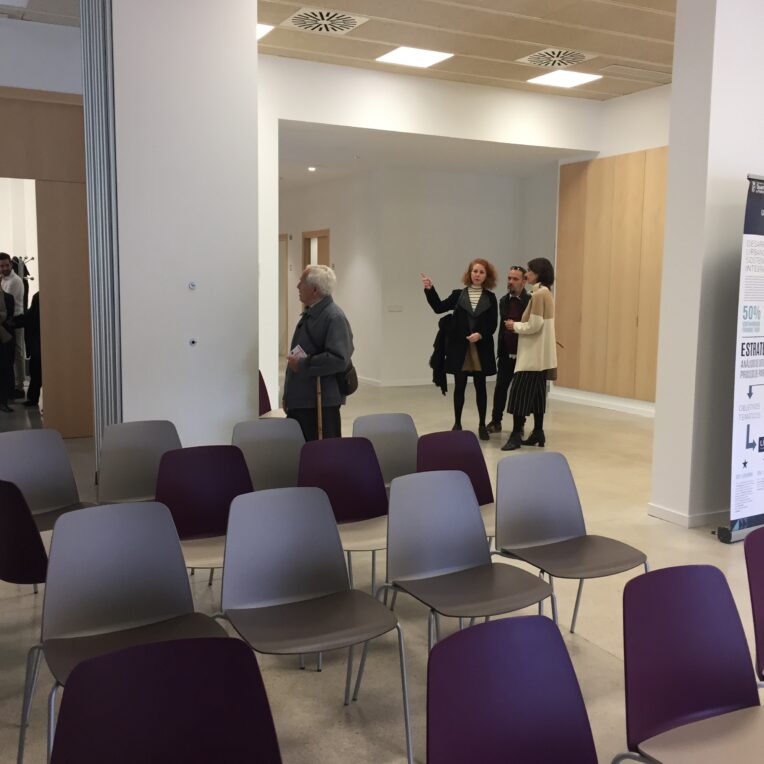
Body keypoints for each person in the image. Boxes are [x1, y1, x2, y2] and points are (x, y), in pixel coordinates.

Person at [421, 260, 498, 440]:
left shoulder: (490, 297)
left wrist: (480, 334)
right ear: (469, 273)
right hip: (460, 346)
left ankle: (482, 425)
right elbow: (439, 307)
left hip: (480, 347)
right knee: (460, 385)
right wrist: (430, 289)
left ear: (487, 276)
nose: (477, 275)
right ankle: (457, 423)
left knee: (480, 386)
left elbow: (493, 324)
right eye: (475, 271)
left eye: (481, 272)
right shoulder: (458, 295)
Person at [283, 264, 353, 441]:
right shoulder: (312, 314)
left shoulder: (333, 317)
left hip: (320, 403)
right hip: (303, 400)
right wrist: (288, 397)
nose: (297, 286)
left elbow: (339, 359)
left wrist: (303, 364)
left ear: (314, 289)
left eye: (302, 282)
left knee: (321, 453)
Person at [502, 257, 557, 451]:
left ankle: (516, 435)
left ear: (539, 273)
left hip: (532, 356)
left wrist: (514, 325)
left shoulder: (539, 294)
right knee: (537, 395)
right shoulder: (546, 292)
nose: (527, 274)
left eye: (530, 271)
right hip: (541, 357)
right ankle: (538, 432)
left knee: (519, 394)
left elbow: (535, 325)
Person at [486, 265, 530, 437]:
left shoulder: (531, 300)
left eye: (515, 279)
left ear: (524, 281)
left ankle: (519, 426)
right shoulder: (503, 300)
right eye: (509, 278)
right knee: (500, 389)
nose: (510, 282)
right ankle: (496, 421)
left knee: (520, 393)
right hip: (506, 352)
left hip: (524, 354)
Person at [0, 253, 25, 398]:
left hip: (15, 320)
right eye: (1, 266)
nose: (4, 268)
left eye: (6, 265)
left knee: (17, 353)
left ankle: (19, 387)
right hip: (5, 322)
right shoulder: (2, 279)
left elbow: (7, 304)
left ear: (11, 264)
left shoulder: (16, 281)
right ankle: (10, 385)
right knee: (9, 355)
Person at [24, 291, 41, 408]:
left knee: (35, 371)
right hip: (41, 341)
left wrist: (13, 322)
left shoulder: (38, 296)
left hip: (37, 342)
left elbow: (30, 317)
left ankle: (33, 398)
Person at [0, 288, 15, 412]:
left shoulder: (8, 297)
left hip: (3, 338)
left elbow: (7, 315)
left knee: (4, 369)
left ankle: (3, 401)